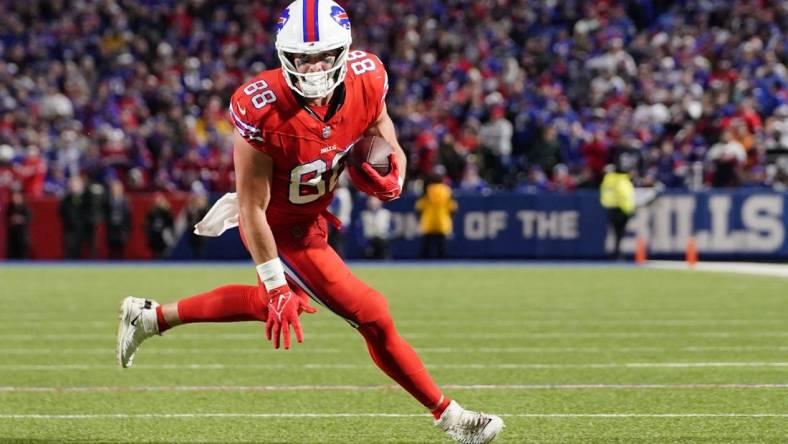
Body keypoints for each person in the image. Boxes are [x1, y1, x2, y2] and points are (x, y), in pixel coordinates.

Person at [115, 2, 503, 443]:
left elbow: (379, 124)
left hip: (313, 216)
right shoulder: (260, 107)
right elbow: (251, 209)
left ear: (343, 51)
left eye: (322, 56)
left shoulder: (368, 77)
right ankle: (449, 416)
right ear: (284, 55)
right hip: (277, 226)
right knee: (370, 312)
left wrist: (394, 159)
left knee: (274, 306)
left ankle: (149, 318)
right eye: (302, 57)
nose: (313, 67)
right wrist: (276, 282)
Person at [415, 173, 457, 259]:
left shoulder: (427, 190)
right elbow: (453, 207)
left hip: (428, 221)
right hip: (442, 221)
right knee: (442, 247)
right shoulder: (447, 190)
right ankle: (442, 265)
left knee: (426, 246)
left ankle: (423, 265)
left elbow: (419, 207)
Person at [600, 163, 635, 259]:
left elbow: (604, 194)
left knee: (615, 233)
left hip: (610, 208)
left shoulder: (609, 179)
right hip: (620, 210)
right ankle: (617, 253)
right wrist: (628, 210)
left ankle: (616, 252)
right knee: (619, 233)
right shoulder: (623, 181)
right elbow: (624, 197)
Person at [103, 179, 132, 259]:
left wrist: (127, 230)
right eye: (114, 188)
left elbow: (128, 217)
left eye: (117, 188)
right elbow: (105, 215)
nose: (115, 190)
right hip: (111, 229)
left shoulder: (125, 201)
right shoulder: (108, 200)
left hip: (121, 229)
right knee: (111, 250)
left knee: (120, 250)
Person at [144, 193, 174, 259]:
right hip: (154, 233)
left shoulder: (166, 211)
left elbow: (170, 222)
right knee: (155, 250)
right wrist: (148, 231)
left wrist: (166, 209)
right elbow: (148, 222)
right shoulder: (152, 211)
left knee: (164, 250)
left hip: (163, 234)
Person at [6, 189, 31, 259]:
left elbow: (29, 217)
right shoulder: (11, 207)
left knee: (22, 253)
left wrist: (20, 219)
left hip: (22, 234)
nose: (15, 199)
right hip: (12, 234)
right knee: (12, 252)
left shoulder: (25, 207)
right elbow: (7, 217)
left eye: (17, 197)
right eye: (14, 197)